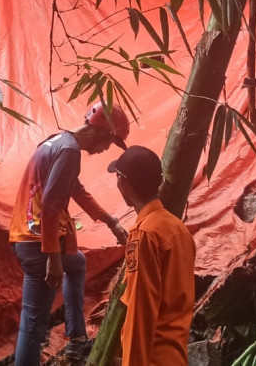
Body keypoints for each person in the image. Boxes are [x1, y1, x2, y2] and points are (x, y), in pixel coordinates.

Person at [9, 102, 131, 365]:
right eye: (109, 143)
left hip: (27, 235)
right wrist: (52, 256)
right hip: (38, 243)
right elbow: (52, 204)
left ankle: (76, 338)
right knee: (33, 324)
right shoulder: (69, 151)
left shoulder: (58, 141)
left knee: (77, 263)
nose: (105, 150)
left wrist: (111, 221)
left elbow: (74, 188)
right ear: (101, 132)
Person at [108, 145, 196, 366]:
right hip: (176, 355)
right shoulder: (178, 228)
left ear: (123, 183)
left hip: (152, 358)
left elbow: (141, 312)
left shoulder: (144, 235)